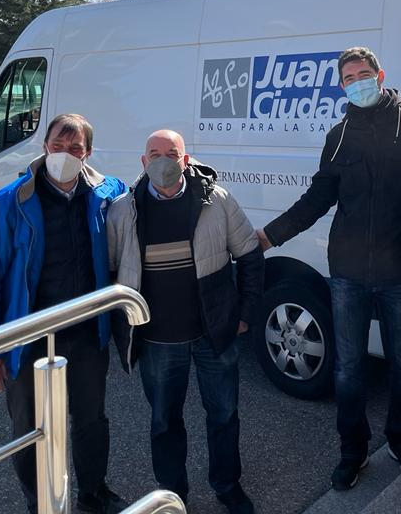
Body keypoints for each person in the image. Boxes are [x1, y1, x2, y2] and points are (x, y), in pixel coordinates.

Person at [257, 46, 401, 491]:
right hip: (348, 271)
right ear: (341, 86)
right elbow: (317, 198)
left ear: (380, 75)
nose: (357, 82)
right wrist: (269, 236)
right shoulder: (340, 135)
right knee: (348, 369)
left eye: (363, 74)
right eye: (348, 78)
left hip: (400, 273)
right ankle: (354, 451)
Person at [0, 113, 128, 514]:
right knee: (30, 429)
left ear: (88, 153)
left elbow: (139, 198)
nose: (65, 155)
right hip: (29, 339)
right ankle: (41, 503)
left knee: (91, 420)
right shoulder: (7, 206)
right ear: (44, 147)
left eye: (75, 148)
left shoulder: (105, 194)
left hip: (88, 334)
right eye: (58, 145)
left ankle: (93, 492)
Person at [108, 130, 264, 514]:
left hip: (214, 334)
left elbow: (250, 255)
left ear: (186, 159)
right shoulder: (122, 211)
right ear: (143, 162)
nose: (164, 160)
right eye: (155, 153)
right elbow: (110, 273)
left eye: (172, 153)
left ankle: (228, 486)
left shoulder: (217, 200)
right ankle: (173, 495)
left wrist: (244, 314)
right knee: (164, 421)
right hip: (159, 339)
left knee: (224, 413)